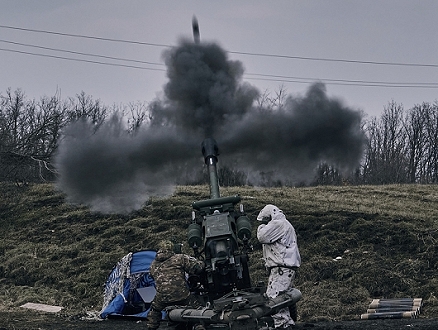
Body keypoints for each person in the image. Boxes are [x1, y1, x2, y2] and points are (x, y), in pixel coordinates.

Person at [257, 204, 301, 329]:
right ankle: (286, 323)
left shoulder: (278, 224)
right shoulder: (284, 224)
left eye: (265, 220)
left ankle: (283, 325)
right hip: (285, 267)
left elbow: (262, 236)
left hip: (282, 268)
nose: (265, 223)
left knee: (274, 299)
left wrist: (261, 227)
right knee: (282, 298)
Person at [146, 240, 205, 330]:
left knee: (154, 310)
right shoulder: (179, 258)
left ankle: (151, 326)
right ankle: (198, 325)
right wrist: (202, 262)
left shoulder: (153, 264)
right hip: (181, 295)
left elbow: (152, 275)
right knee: (197, 307)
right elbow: (197, 268)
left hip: (162, 298)